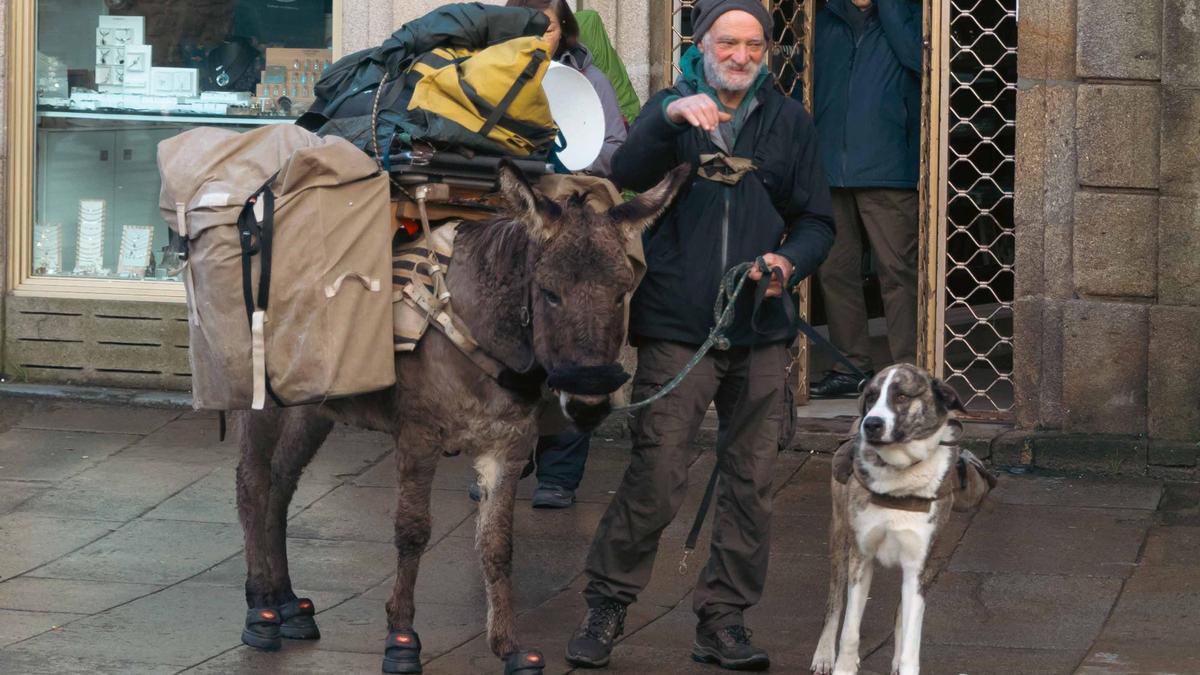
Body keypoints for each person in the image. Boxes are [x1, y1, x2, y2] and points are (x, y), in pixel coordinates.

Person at [564, 0, 835, 670]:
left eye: (754, 45)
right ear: (702, 44)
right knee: (657, 472)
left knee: (752, 481)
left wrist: (787, 262)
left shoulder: (789, 122)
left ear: (766, 51)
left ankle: (724, 618)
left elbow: (816, 221)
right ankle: (607, 603)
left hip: (760, 325)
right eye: (728, 42)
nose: (741, 55)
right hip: (678, 325)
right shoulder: (672, 109)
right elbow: (624, 178)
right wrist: (667, 117)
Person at [469, 0, 628, 509]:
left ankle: (559, 473)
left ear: (565, 30)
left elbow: (616, 145)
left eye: (549, 27)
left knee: (578, 342)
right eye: (529, 27)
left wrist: (570, 160)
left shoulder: (589, 79)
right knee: (502, 346)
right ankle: (501, 455)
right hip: (512, 225)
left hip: (572, 227)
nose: (540, 37)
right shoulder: (486, 72)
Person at [808, 0, 923, 398]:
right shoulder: (823, 20)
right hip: (827, 168)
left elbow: (920, 61)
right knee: (834, 271)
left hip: (889, 168)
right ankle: (850, 366)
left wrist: (890, 8)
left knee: (898, 272)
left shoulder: (909, 15)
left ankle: (909, 369)